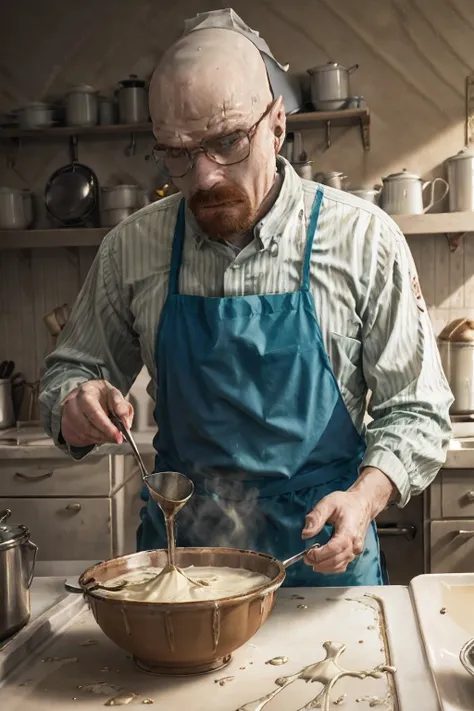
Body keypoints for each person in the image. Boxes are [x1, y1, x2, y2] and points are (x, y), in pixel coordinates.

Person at [39, 9, 453, 587]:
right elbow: (67, 375)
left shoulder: (365, 239)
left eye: (227, 143)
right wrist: (74, 403)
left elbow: (417, 410)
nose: (203, 176)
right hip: (188, 567)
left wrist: (364, 498)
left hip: (320, 559)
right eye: (177, 153)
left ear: (276, 125)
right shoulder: (131, 248)